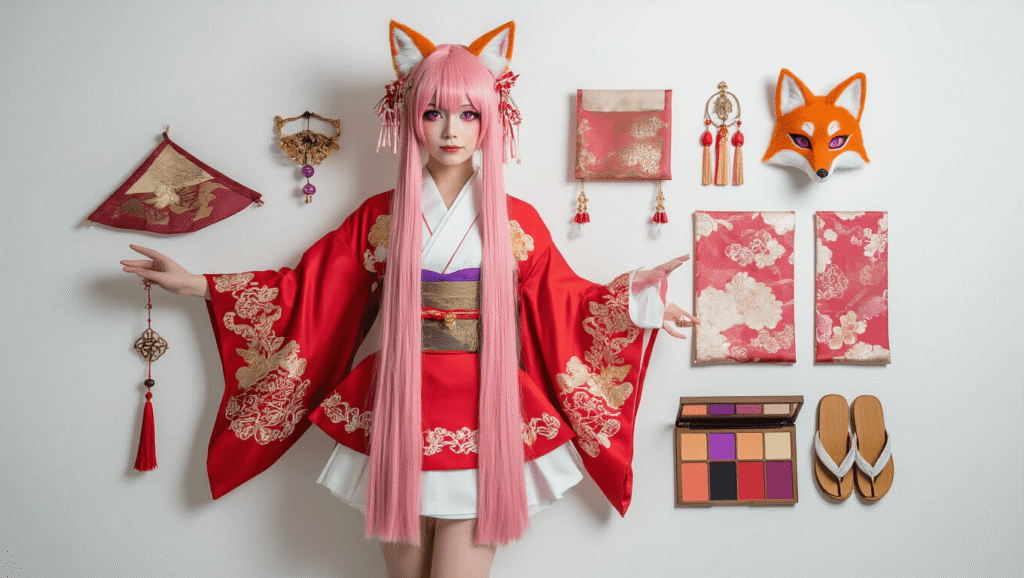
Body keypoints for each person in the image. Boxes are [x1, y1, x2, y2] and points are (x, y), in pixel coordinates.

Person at [121, 21, 697, 578]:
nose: (451, 129)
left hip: (486, 407)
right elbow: (310, 293)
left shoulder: (516, 222)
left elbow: (565, 302)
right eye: (434, 112)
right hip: (399, 402)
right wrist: (200, 285)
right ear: (410, 118)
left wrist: (639, 302)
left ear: (491, 120)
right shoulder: (381, 217)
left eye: (469, 114)